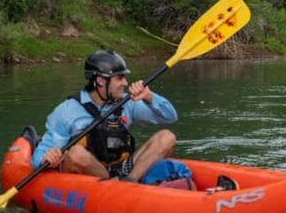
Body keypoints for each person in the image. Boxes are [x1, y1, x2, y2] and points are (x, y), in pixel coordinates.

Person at [31, 50, 178, 182]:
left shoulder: (127, 103)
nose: (125, 83)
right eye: (119, 78)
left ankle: (130, 182)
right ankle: (112, 185)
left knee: (167, 137)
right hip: (89, 175)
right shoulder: (67, 111)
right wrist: (47, 157)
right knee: (75, 153)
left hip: (123, 170)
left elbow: (170, 117)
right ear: (101, 81)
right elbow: (38, 157)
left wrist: (149, 97)